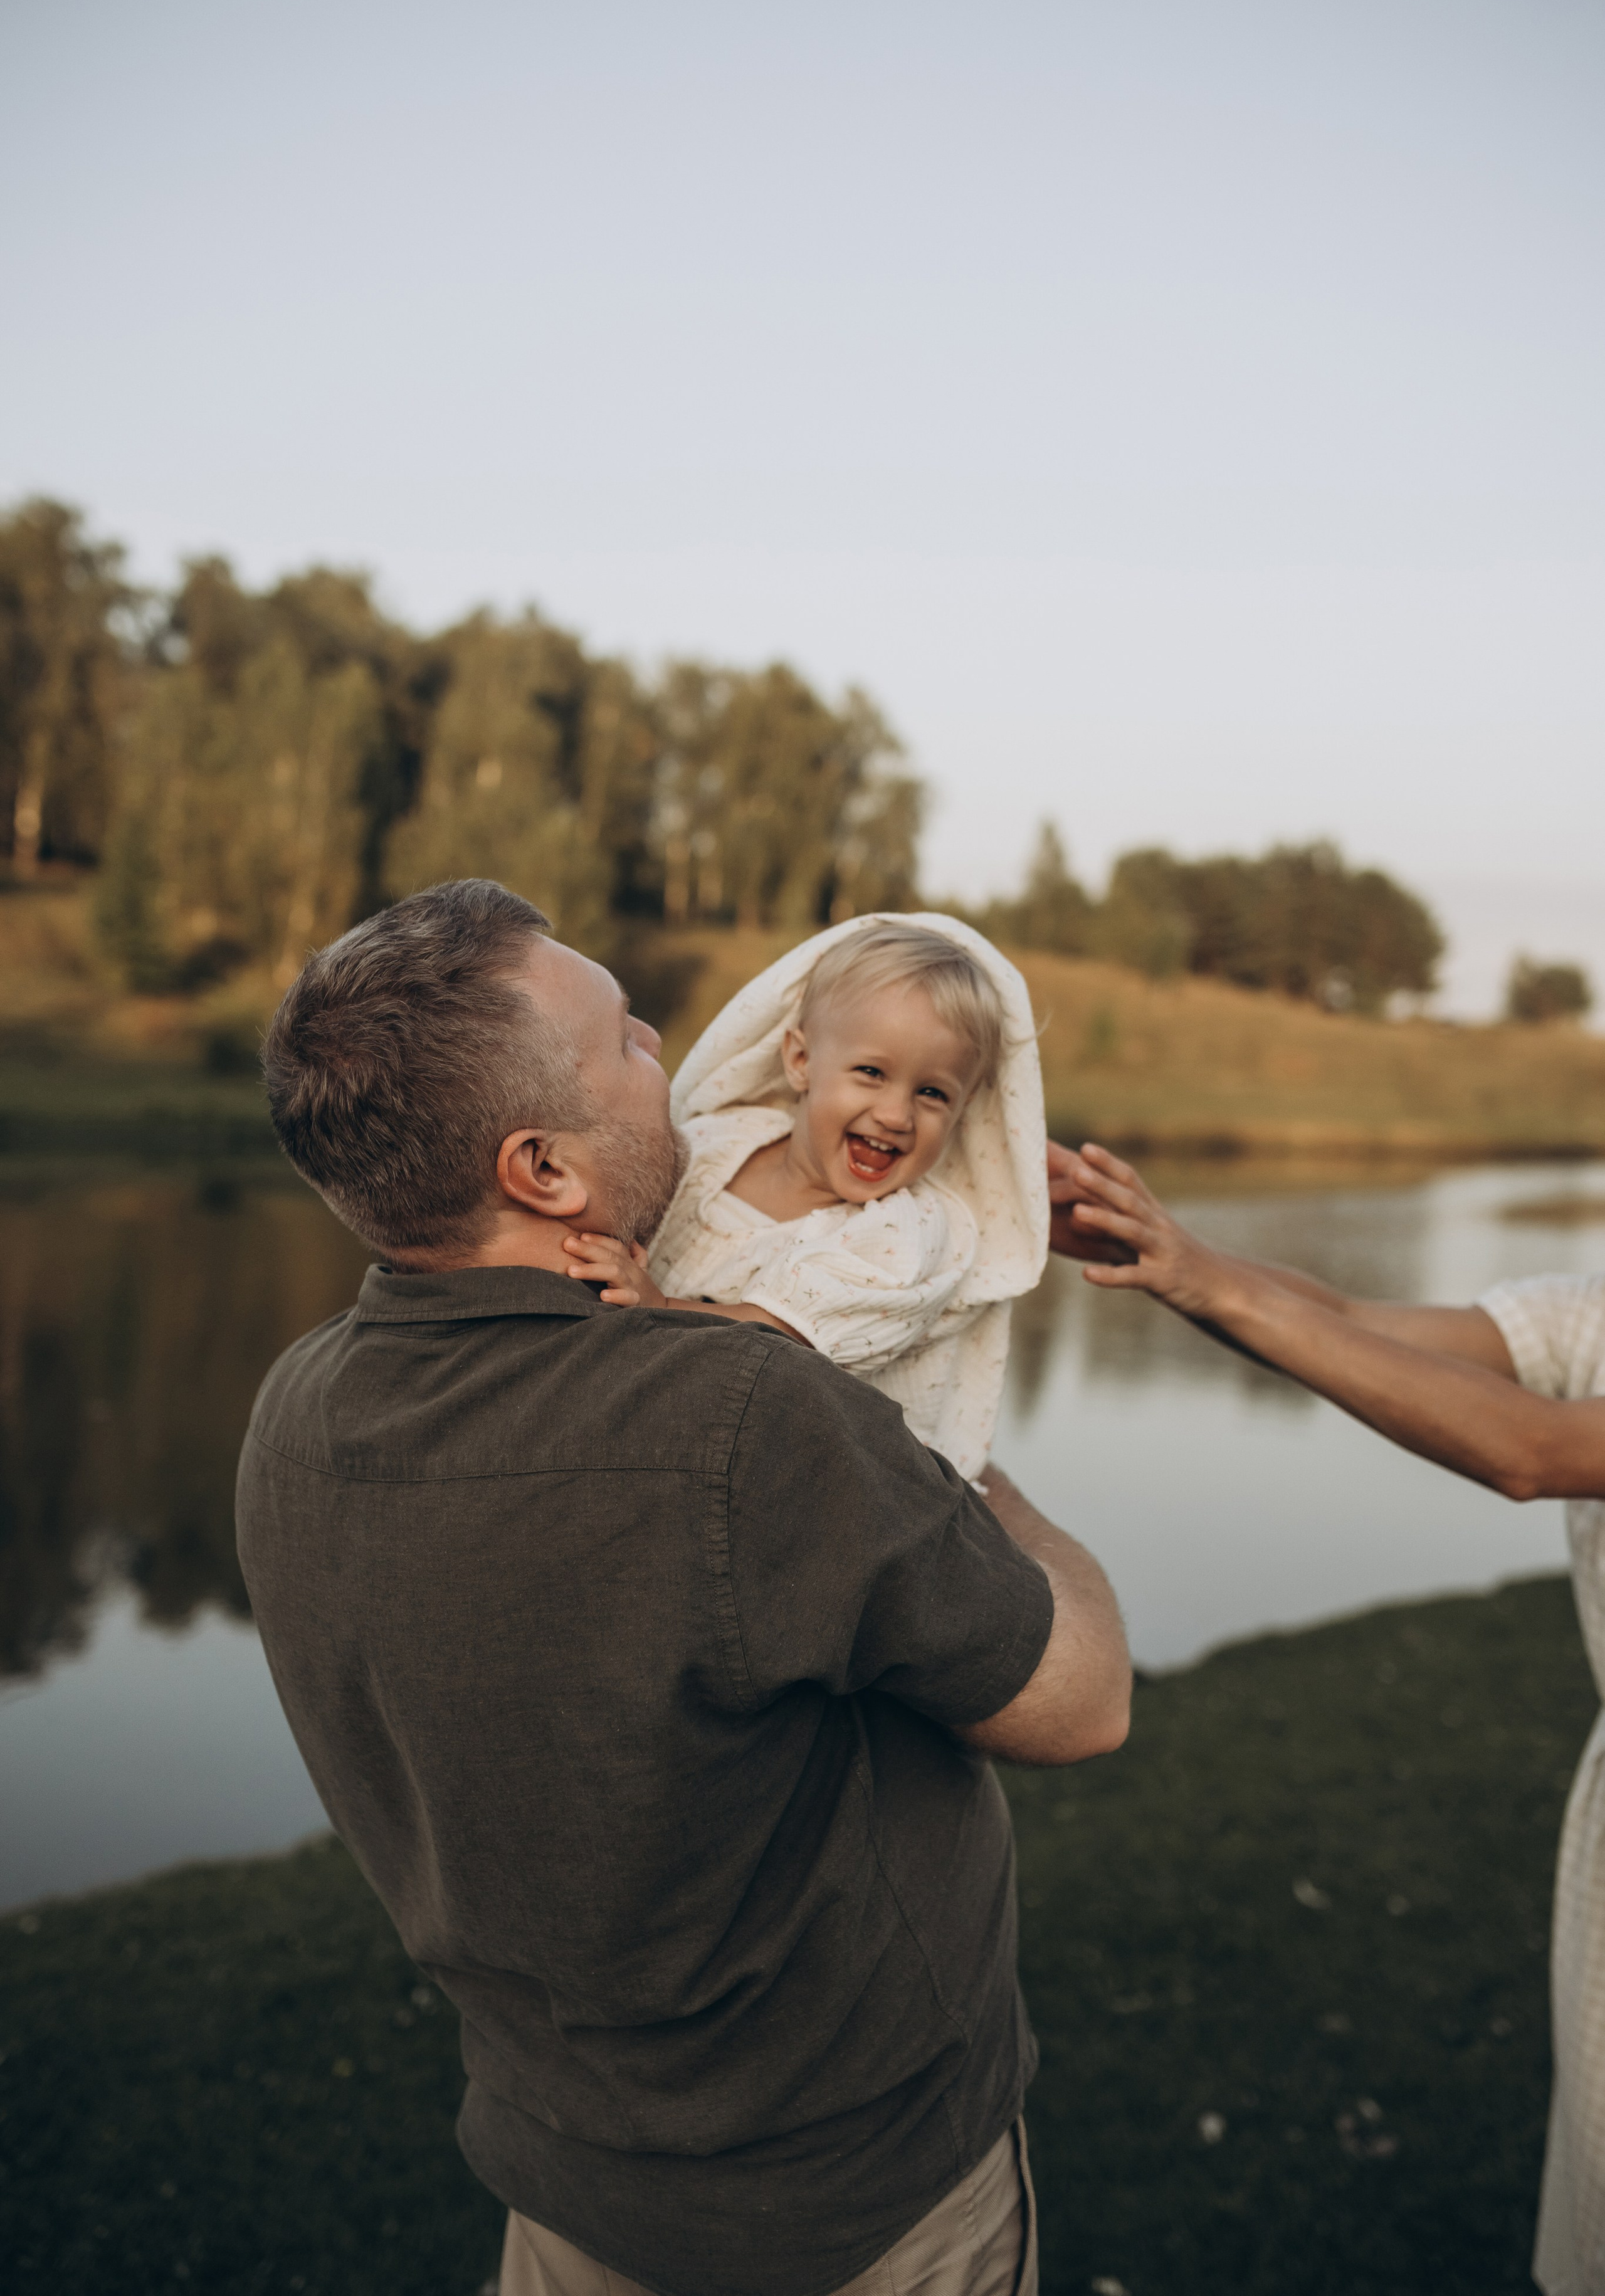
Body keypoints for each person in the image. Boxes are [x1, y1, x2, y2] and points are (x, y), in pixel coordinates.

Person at [236, 880, 1132, 2296]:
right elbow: (1081, 1702)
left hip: (563, 2175)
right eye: (624, 1044)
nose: (666, 1035)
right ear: (542, 1170)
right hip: (855, 2198)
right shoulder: (743, 1423)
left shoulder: (296, 1408)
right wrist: (987, 1493)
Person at [1047, 1137, 1605, 2296]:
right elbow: (1352, 1319)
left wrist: (1204, 1277)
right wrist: (1165, 1252)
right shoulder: (1590, 1311)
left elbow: (1532, 1450)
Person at [561, 915, 1046, 1483]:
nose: (896, 1115)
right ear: (800, 1060)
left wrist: (658, 1305)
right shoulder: (720, 1143)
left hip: (822, 1487)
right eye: (871, 1072)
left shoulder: (909, 1231)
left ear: (963, 1110)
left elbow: (782, 1338)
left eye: (933, 1093)